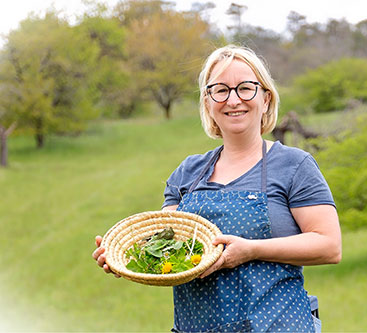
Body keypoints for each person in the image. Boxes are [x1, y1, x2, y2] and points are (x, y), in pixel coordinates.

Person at [93, 44, 341, 332]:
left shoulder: (293, 165)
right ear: (208, 102)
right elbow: (171, 248)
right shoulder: (188, 172)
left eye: (245, 88)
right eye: (220, 90)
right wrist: (126, 256)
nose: (233, 100)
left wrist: (251, 250)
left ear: (265, 98)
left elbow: (329, 245)